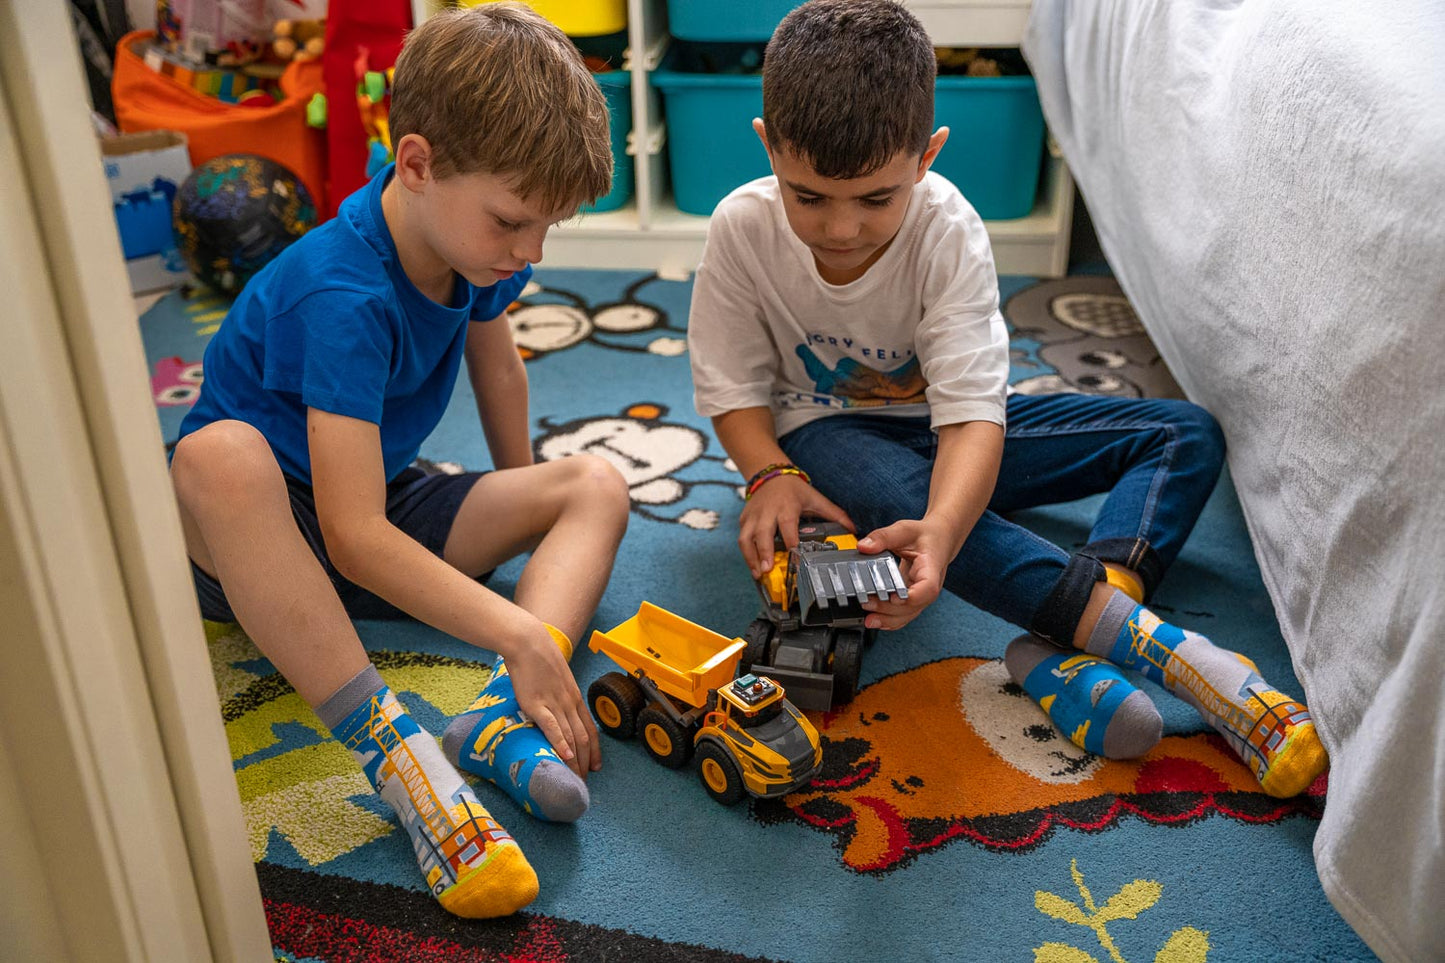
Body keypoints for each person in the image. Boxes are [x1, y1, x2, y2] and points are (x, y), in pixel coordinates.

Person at [687, 0, 1326, 798]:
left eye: (875, 199)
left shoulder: (949, 229)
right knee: (903, 498)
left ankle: (1070, 643)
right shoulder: (740, 227)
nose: (841, 227)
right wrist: (765, 472)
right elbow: (730, 383)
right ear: (767, 147)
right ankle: (1176, 655)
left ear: (926, 156)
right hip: (824, 432)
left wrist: (946, 532)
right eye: (808, 196)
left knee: (1183, 434)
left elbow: (971, 419)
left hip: (950, 429)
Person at [169, 4, 630, 918]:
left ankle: (500, 716)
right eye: (513, 223)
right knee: (214, 457)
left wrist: (517, 484)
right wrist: (520, 630)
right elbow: (347, 537)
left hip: (375, 503)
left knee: (596, 481)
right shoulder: (339, 292)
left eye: (546, 228)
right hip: (262, 545)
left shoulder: (476, 242)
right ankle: (397, 752)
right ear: (416, 164)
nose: (530, 251)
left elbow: (495, 364)